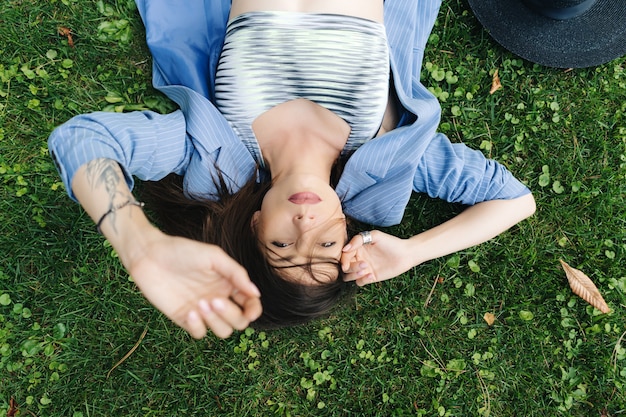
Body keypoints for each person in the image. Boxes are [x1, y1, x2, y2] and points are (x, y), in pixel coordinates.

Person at [48, 0, 536, 339]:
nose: (305, 226)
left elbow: (81, 139)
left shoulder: (210, 151)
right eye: (324, 246)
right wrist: (412, 252)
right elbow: (517, 200)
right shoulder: (387, 160)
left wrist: (139, 243)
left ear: (256, 224)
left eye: (282, 246)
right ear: (346, 231)